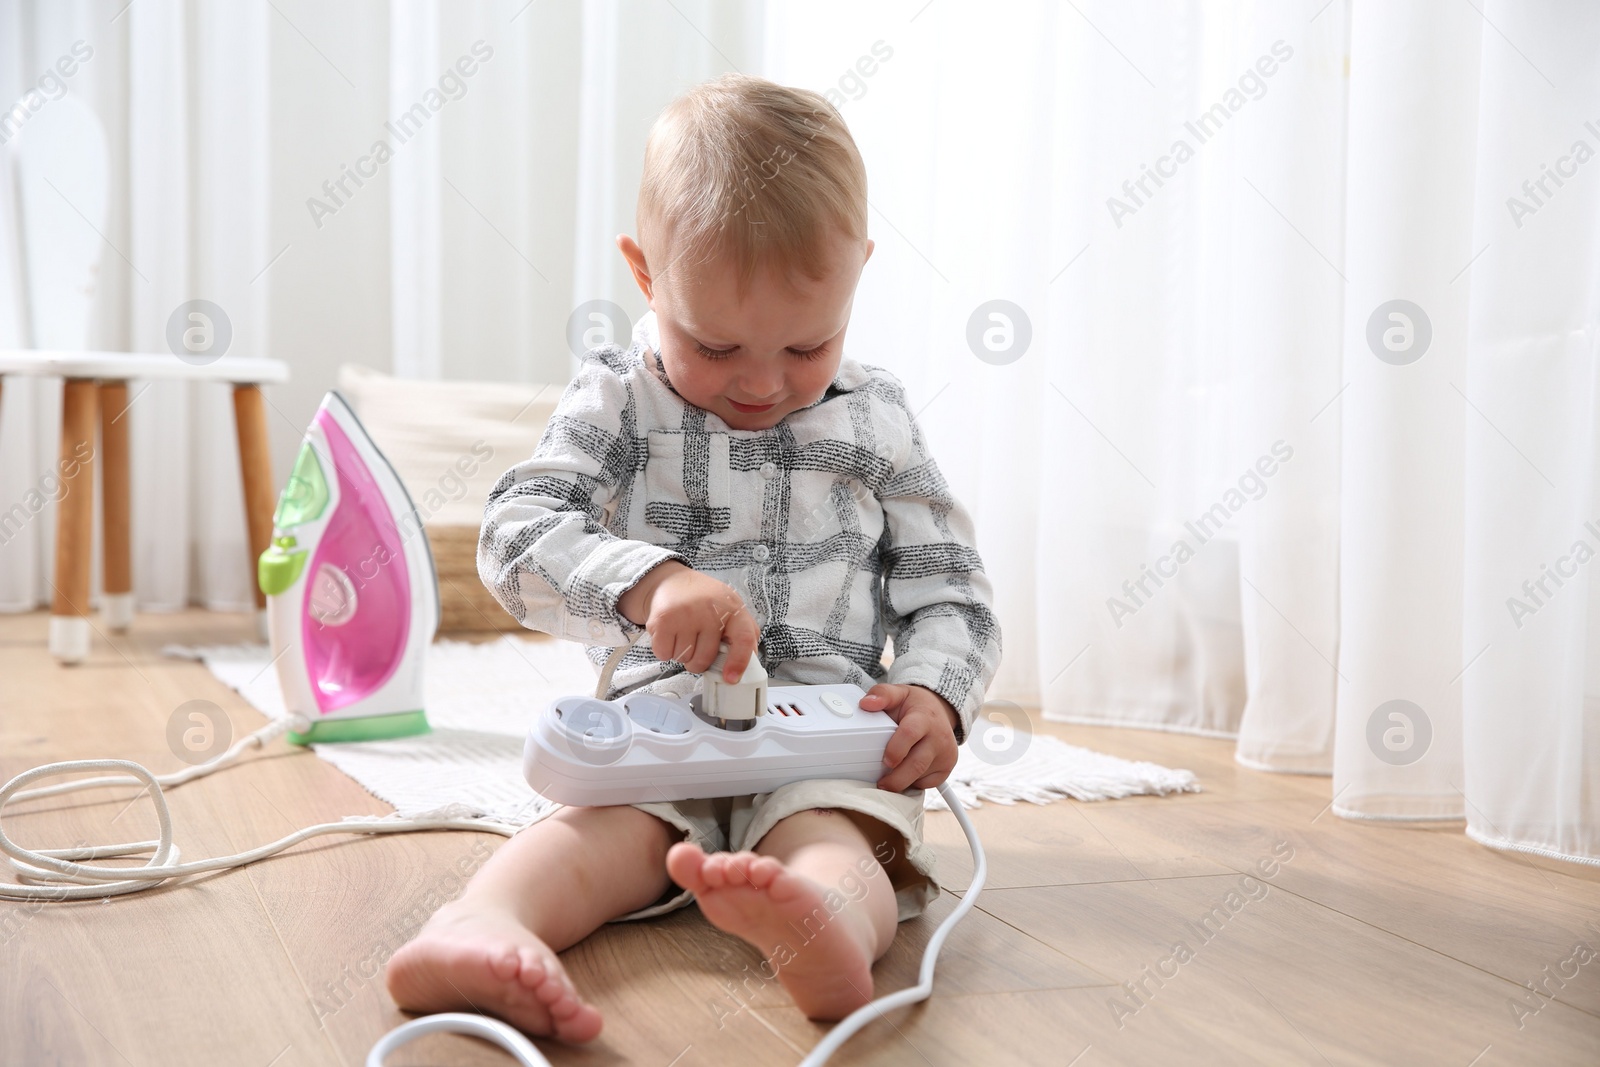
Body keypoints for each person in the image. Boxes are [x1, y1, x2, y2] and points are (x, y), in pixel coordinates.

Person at [386, 72, 1000, 1043]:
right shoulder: (618, 398)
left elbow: (951, 591)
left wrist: (935, 691)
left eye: (807, 344)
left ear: (859, 272)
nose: (761, 382)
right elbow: (514, 532)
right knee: (600, 836)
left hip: (831, 727)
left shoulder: (876, 415)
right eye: (714, 344)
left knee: (837, 839)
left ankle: (820, 925)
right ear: (643, 272)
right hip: (660, 716)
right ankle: (481, 924)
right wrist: (647, 578)